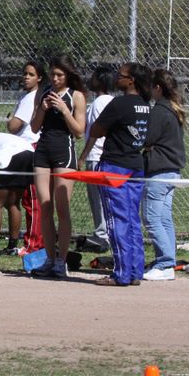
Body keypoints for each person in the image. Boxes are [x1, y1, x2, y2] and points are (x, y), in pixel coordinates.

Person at [83, 62, 151, 287]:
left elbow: (96, 130)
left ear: (131, 81)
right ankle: (135, 271)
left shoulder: (119, 103)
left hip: (115, 166)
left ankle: (121, 273)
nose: (116, 78)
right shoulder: (145, 105)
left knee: (116, 219)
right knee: (132, 219)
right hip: (136, 165)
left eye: (120, 75)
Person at [30, 55, 87, 279]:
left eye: (60, 75)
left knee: (62, 208)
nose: (55, 79)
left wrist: (64, 110)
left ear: (68, 75)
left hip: (64, 151)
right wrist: (42, 109)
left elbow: (79, 132)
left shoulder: (76, 96)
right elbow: (34, 128)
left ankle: (61, 261)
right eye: (52, 74)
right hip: (43, 151)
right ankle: (49, 258)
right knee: (45, 207)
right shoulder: (43, 93)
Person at [142, 68, 186, 281]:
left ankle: (165, 263)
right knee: (163, 217)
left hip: (159, 173)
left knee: (151, 218)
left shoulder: (159, 110)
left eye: (151, 87)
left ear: (157, 88)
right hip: (171, 172)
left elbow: (147, 139)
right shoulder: (173, 109)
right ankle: (168, 261)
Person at [77, 64, 117, 253]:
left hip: (96, 156)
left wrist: (83, 157)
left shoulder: (100, 102)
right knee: (105, 198)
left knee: (97, 199)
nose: (90, 80)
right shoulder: (112, 101)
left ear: (100, 81)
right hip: (107, 156)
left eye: (93, 77)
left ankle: (102, 235)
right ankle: (106, 233)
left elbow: (95, 131)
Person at [7, 60, 45, 256]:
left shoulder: (31, 98)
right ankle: (38, 240)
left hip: (29, 147)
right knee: (30, 198)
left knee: (32, 199)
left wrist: (9, 121)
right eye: (25, 74)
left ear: (39, 78)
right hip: (29, 148)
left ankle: (33, 243)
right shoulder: (31, 96)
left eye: (31, 74)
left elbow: (14, 125)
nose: (26, 77)